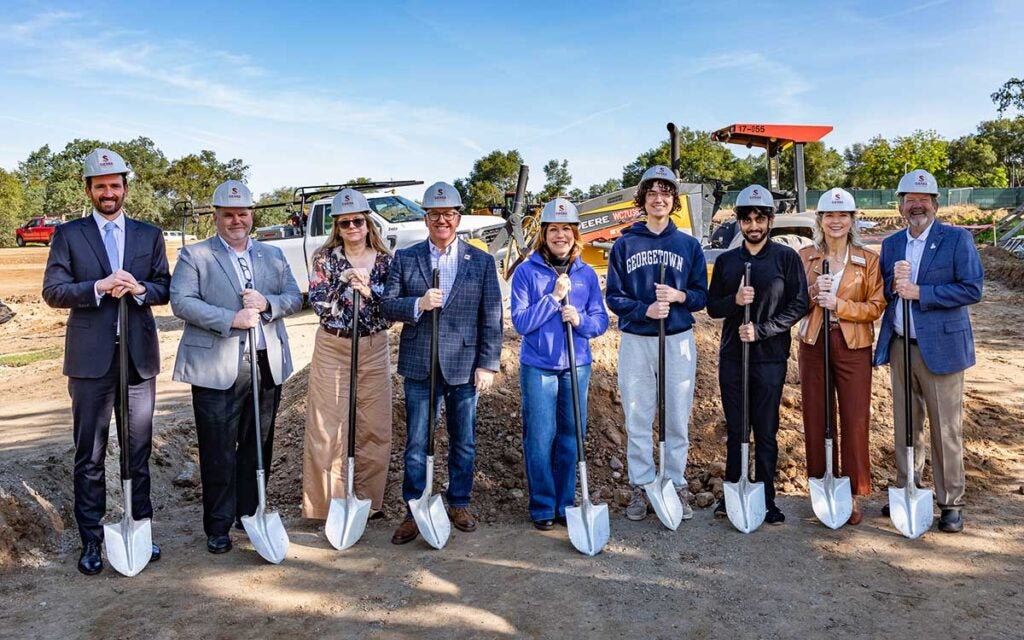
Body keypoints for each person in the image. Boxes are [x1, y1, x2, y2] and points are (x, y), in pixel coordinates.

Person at [41, 148, 170, 575]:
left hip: (137, 360)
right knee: (90, 454)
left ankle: (140, 529)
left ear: (125, 189)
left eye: (115, 185)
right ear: (89, 190)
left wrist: (140, 289)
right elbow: (53, 291)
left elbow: (164, 286)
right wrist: (98, 286)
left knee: (138, 452)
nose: (108, 193)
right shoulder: (69, 235)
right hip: (90, 361)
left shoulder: (149, 234)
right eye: (101, 186)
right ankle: (92, 541)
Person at [170, 180, 302, 554]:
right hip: (217, 366)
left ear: (251, 215)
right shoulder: (195, 255)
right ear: (216, 217)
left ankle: (250, 513)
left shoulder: (272, 255)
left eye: (242, 213)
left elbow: (294, 297)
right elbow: (181, 302)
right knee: (218, 448)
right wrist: (231, 319)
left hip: (265, 363)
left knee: (259, 443)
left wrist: (267, 303)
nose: (236, 221)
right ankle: (218, 524)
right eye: (228, 214)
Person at [381, 181, 503, 545]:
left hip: (464, 365)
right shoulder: (406, 258)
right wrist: (418, 304)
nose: (442, 221)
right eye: (435, 214)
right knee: (417, 442)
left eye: (448, 214)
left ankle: (458, 502)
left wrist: (488, 364)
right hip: (420, 364)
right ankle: (414, 509)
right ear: (426, 218)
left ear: (458, 218)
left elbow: (491, 316)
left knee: (463, 440)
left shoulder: (480, 262)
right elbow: (387, 305)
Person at [874, 169, 983, 533]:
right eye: (910, 200)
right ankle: (909, 488)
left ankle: (950, 502)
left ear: (935, 204)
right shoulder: (891, 244)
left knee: (945, 429)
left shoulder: (956, 239)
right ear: (900, 206)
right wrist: (893, 286)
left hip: (942, 348)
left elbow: (972, 288)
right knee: (906, 425)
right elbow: (886, 292)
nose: (916, 206)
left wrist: (922, 292)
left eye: (923, 199)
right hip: (901, 345)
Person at [605, 165, 708, 523]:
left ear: (673, 200)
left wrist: (680, 296)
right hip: (637, 340)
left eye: (666, 193)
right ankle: (641, 484)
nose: (659, 199)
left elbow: (701, 296)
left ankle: (675, 482)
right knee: (637, 415)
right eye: (652, 193)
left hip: (677, 339)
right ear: (643, 200)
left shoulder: (688, 245)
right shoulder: (624, 244)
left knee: (677, 416)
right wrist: (644, 309)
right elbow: (613, 297)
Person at [707, 184, 808, 525]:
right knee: (737, 430)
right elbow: (712, 307)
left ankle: (766, 498)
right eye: (747, 219)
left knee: (765, 431)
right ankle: (732, 493)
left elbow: (799, 304)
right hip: (733, 357)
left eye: (759, 219)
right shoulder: (727, 261)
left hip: (770, 358)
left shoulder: (786, 258)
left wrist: (763, 329)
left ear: (770, 221)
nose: (753, 226)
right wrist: (735, 301)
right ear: (739, 222)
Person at [511, 198, 609, 530]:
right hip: (539, 366)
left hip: (576, 366)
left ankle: (565, 504)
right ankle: (542, 506)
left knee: (571, 437)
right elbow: (521, 323)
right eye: (553, 229)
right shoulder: (526, 273)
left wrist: (580, 320)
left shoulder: (586, 274)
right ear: (544, 233)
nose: (560, 235)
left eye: (566, 229)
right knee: (540, 438)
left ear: (575, 233)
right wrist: (553, 299)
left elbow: (600, 321)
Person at [302, 189, 393, 520]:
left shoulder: (386, 260)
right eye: (345, 223)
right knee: (327, 426)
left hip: (373, 346)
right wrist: (342, 281)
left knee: (374, 425)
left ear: (368, 224)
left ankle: (367, 503)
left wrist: (368, 291)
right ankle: (328, 506)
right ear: (337, 228)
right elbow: (320, 306)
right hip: (333, 345)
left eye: (358, 221)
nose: (352, 227)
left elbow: (390, 311)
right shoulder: (324, 259)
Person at [797, 188, 885, 525]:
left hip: (853, 345)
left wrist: (840, 305)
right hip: (813, 342)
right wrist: (812, 293)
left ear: (852, 220)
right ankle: (822, 485)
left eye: (843, 215)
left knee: (854, 417)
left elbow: (876, 306)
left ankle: (851, 492)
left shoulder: (868, 260)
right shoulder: (805, 257)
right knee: (816, 416)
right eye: (830, 215)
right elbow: (793, 303)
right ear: (820, 220)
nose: (836, 221)